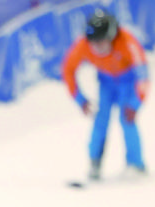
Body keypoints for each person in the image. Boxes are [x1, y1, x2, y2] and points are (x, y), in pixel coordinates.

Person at [62, 8, 150, 180]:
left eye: (101, 42)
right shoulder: (83, 45)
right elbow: (68, 70)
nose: (97, 47)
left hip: (128, 82)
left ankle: (136, 163)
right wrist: (79, 99)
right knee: (100, 121)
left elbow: (143, 74)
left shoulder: (127, 41)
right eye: (94, 43)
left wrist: (136, 103)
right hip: (106, 84)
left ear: (111, 37)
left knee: (127, 119)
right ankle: (94, 162)